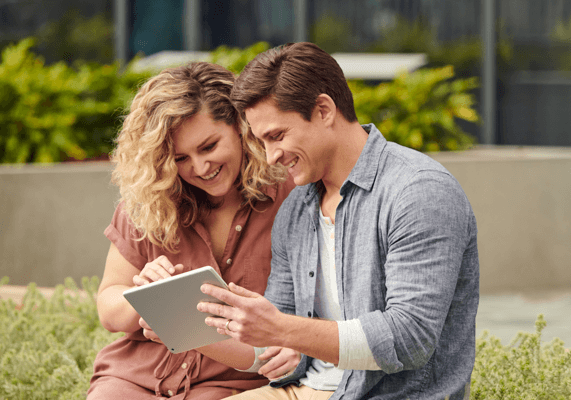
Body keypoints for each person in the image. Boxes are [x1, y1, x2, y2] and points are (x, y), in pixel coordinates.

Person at [197, 42, 480, 400]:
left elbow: (410, 339)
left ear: (324, 110)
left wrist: (286, 330)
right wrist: (186, 329)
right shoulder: (297, 208)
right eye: (261, 141)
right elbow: (274, 340)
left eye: (277, 136)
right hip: (304, 389)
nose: (270, 158)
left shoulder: (419, 191)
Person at [87, 62, 297, 400]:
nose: (200, 168)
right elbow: (109, 309)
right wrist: (148, 299)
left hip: (230, 384)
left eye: (209, 146)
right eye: (180, 158)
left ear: (241, 128)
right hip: (136, 378)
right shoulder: (152, 200)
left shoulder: (290, 197)